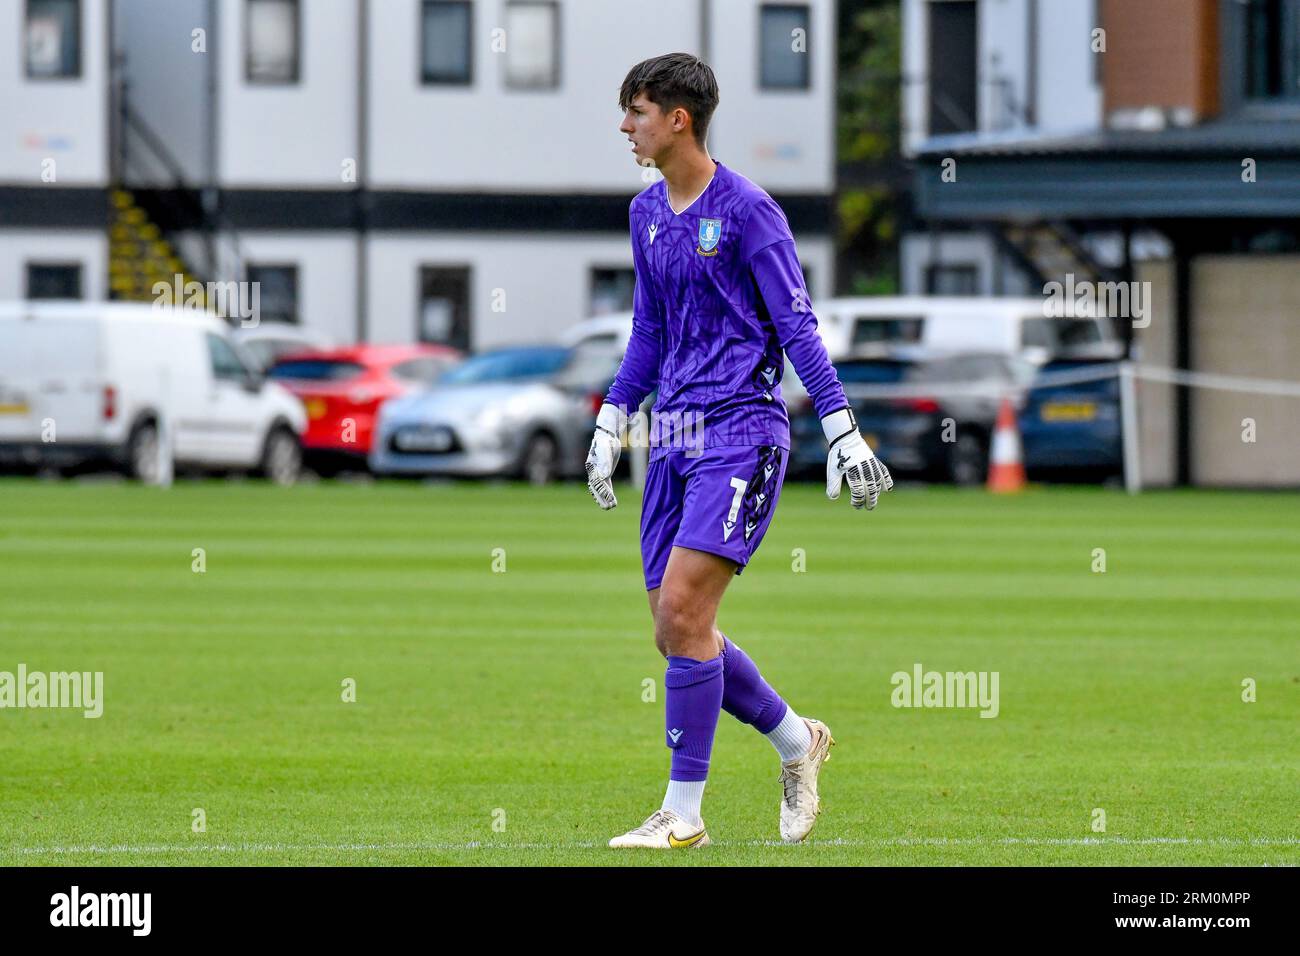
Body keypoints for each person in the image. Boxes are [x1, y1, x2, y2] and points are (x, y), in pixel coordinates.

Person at [586, 53, 893, 849]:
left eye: (638, 111)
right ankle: (798, 741)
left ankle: (682, 816)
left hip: (742, 433)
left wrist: (840, 427)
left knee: (687, 611)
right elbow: (649, 329)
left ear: (678, 119)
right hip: (672, 437)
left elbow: (797, 326)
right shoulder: (645, 213)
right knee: (675, 629)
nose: (626, 126)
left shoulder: (750, 211)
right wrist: (611, 416)